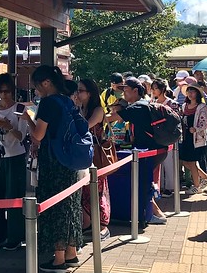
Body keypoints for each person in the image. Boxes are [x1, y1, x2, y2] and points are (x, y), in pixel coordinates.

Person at [24, 65, 83, 273]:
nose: (37, 90)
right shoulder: (67, 100)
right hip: (69, 159)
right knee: (70, 204)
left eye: (37, 86)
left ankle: (58, 259)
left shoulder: (48, 103)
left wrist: (27, 119)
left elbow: (38, 135)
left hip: (53, 160)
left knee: (55, 204)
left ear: (46, 83)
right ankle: (71, 252)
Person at [107, 77, 169, 225]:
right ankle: (153, 213)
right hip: (156, 150)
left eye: (126, 91)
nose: (124, 95)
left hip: (151, 152)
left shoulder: (137, 107)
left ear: (136, 91)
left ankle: (154, 214)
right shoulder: (142, 104)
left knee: (144, 183)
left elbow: (112, 118)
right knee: (144, 182)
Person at [0, 73, 28, 250]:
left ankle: (15, 236)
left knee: (14, 198)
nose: (4, 95)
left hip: (16, 156)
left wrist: (8, 126)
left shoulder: (20, 109)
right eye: (1, 91)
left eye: (7, 91)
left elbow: (22, 136)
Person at [76, 78, 112, 239]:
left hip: (96, 154)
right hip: (81, 155)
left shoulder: (97, 110)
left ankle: (103, 225)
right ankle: (87, 222)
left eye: (80, 90)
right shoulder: (78, 108)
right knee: (84, 191)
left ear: (89, 93)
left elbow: (84, 127)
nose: (77, 93)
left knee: (97, 190)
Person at [177, 77, 207, 194]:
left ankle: (197, 186)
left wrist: (195, 129)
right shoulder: (183, 106)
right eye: (189, 91)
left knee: (191, 162)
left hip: (196, 139)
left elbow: (204, 122)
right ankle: (205, 177)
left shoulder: (202, 107)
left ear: (197, 94)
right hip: (186, 138)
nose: (190, 94)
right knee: (186, 162)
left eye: (193, 91)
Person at [151, 78, 180, 196]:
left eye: (155, 88)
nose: (153, 91)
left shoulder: (172, 103)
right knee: (159, 163)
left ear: (162, 89)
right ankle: (160, 186)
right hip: (156, 137)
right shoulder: (152, 103)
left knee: (169, 162)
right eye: (152, 88)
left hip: (169, 136)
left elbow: (176, 121)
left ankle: (170, 187)